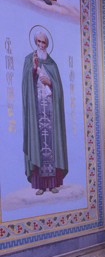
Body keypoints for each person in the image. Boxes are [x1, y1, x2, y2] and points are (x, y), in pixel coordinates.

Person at [22, 28, 68, 195]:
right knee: (39, 145)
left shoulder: (52, 64)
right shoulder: (29, 60)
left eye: (44, 42)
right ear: (35, 42)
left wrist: (51, 82)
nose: (41, 45)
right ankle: (41, 185)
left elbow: (59, 90)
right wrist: (34, 70)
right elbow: (25, 86)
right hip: (36, 112)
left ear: (47, 44)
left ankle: (53, 184)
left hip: (51, 113)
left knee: (52, 145)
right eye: (39, 42)